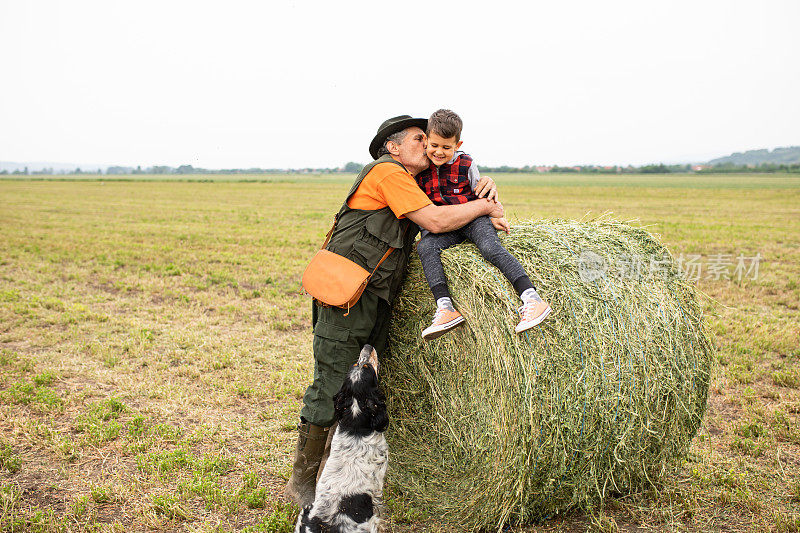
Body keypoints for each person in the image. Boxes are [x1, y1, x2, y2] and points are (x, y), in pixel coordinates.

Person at [285, 115, 504, 506]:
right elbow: (436, 221)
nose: (429, 145)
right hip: (346, 295)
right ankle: (301, 485)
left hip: (375, 296)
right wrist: (480, 205)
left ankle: (335, 472)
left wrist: (483, 190)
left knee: (361, 385)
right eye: (421, 139)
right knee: (332, 383)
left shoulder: (416, 182)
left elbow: (456, 207)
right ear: (394, 146)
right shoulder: (387, 172)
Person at [415, 109, 551, 341]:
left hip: (473, 220)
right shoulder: (420, 168)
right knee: (425, 248)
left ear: (458, 144)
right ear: (426, 140)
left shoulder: (466, 164)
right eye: (435, 145)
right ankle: (445, 308)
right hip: (446, 228)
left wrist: (496, 214)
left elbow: (483, 192)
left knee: (490, 249)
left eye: (447, 148)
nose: (439, 152)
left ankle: (532, 299)